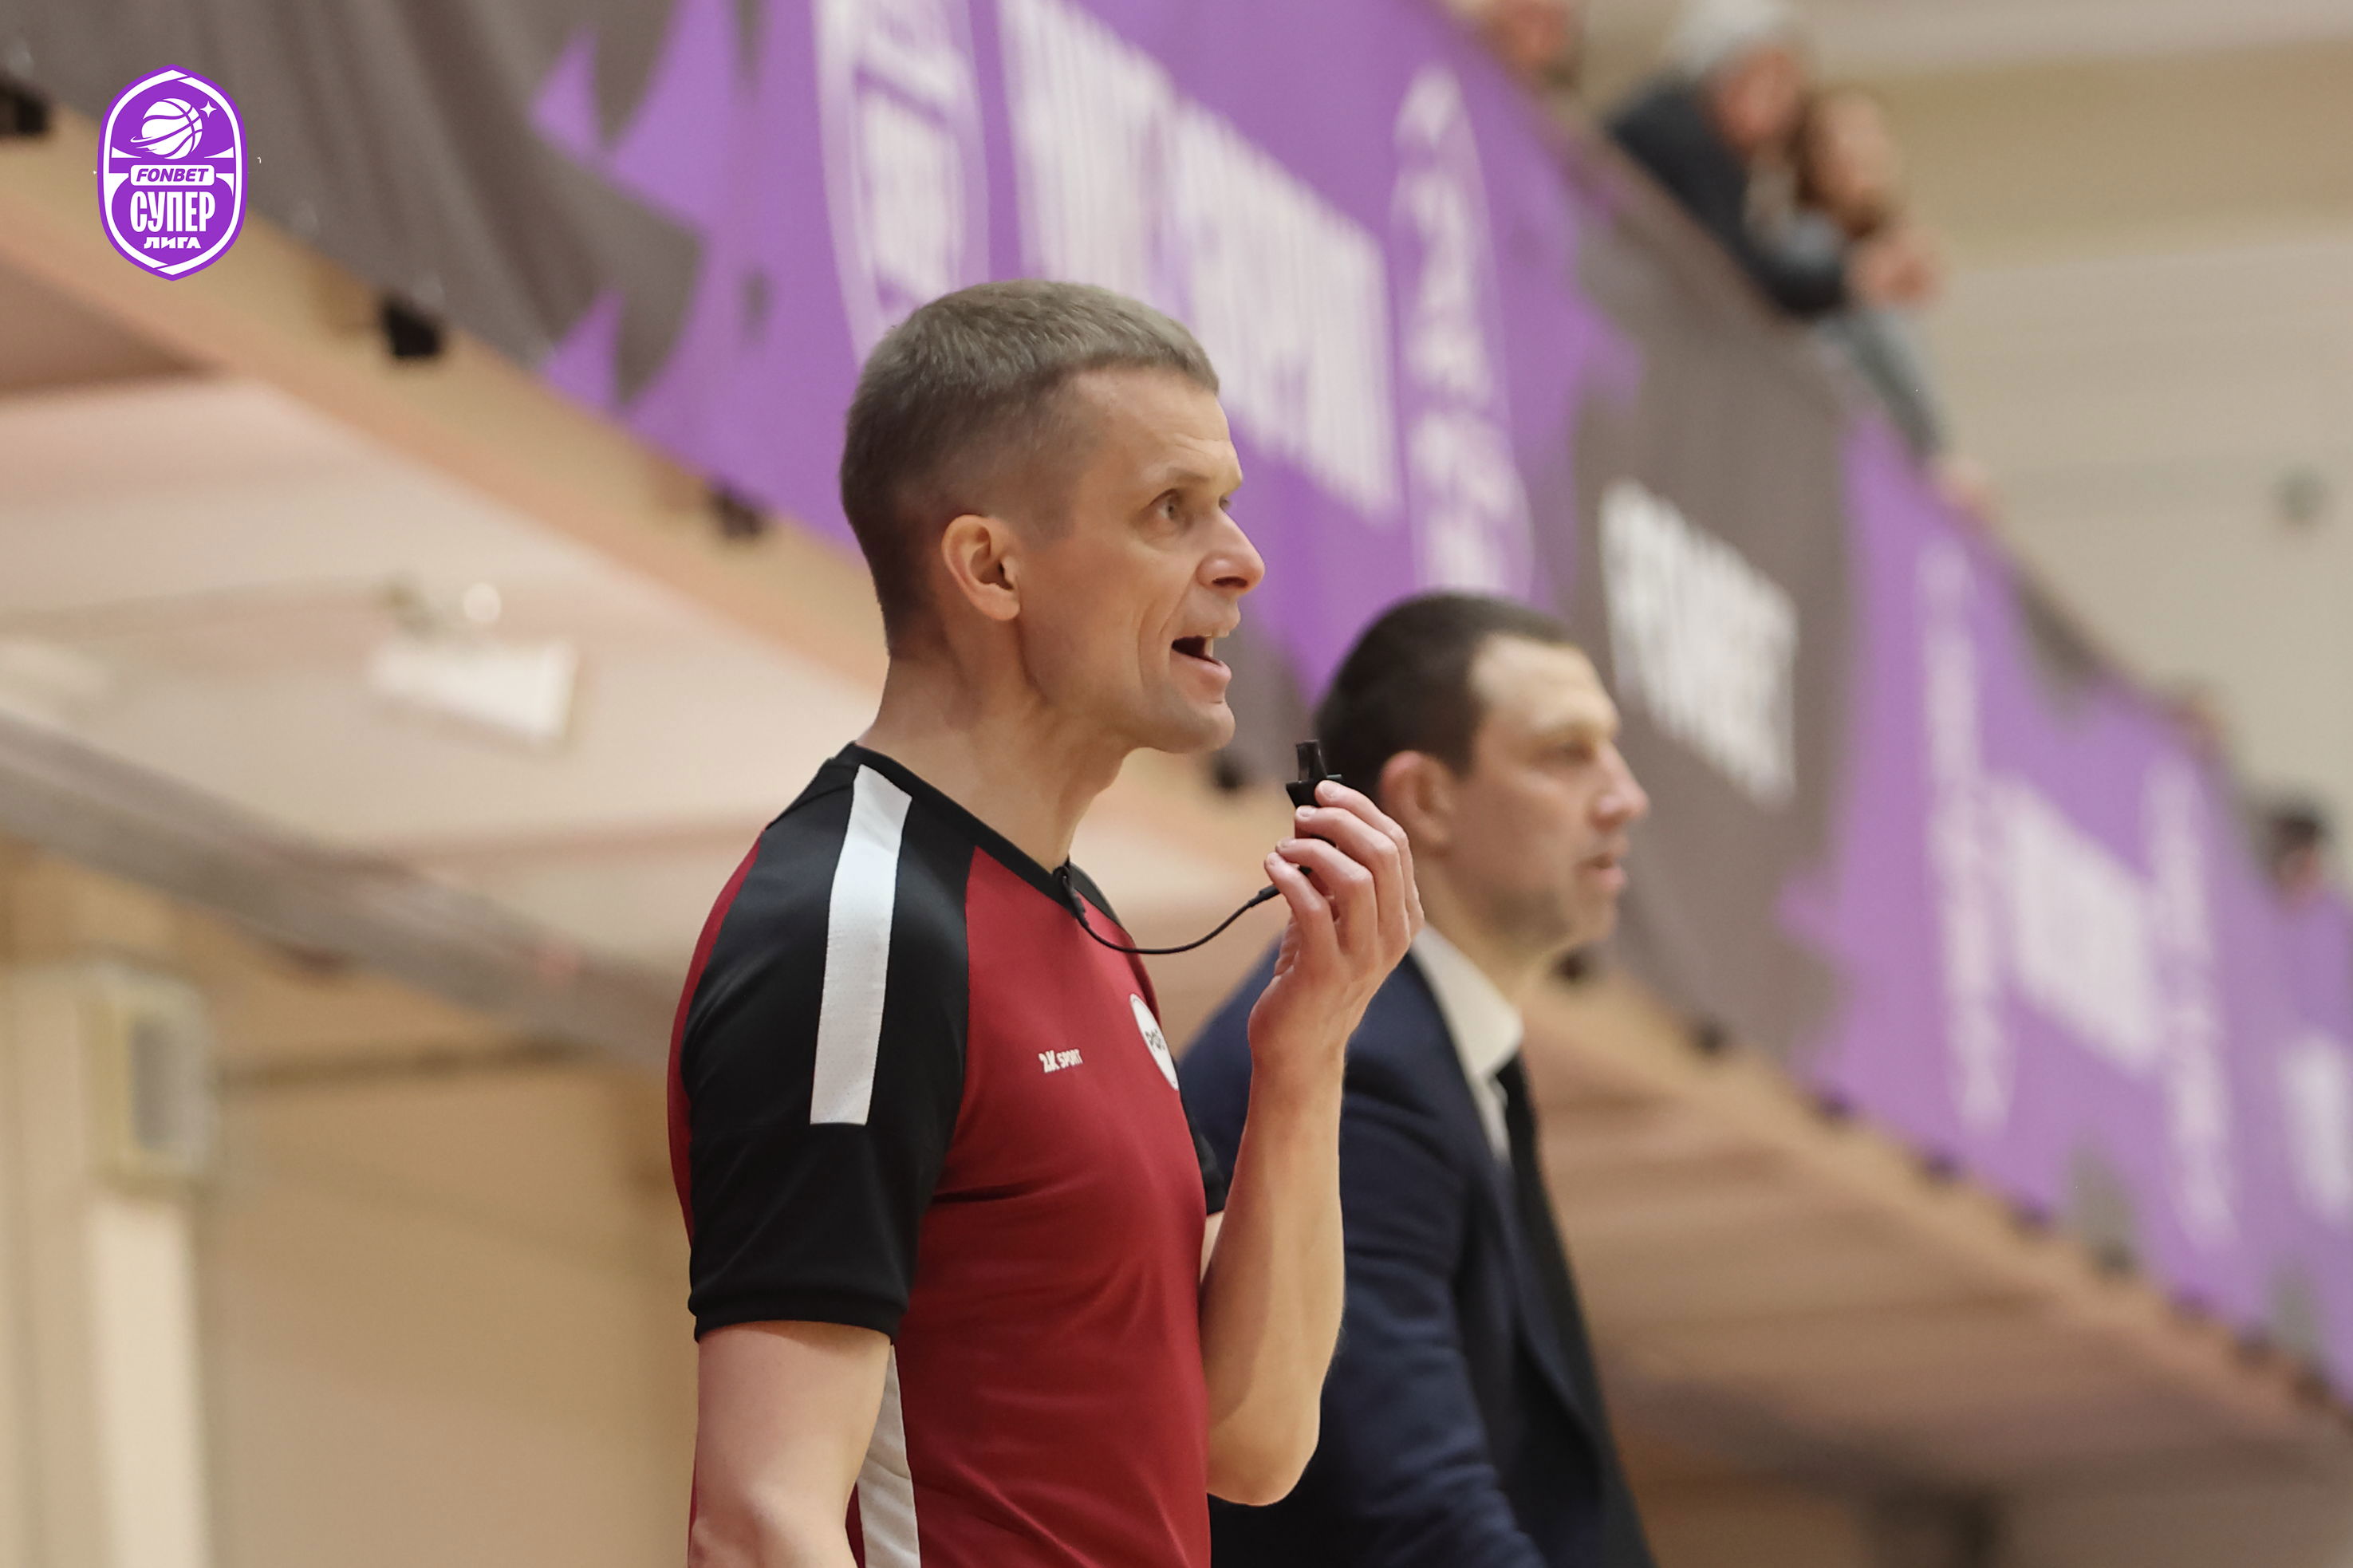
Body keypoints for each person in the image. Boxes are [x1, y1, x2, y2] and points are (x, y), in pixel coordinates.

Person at [670, 280, 1421, 1567]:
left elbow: (1248, 1439)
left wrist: (1305, 1058)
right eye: (1171, 509)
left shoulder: (1076, 919)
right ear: (991, 566)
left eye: (1226, 504)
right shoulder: (861, 927)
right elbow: (757, 1518)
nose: (1240, 559)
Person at [1182, 593, 1656, 1568]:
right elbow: (1409, 1513)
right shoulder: (1368, 1065)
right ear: (1427, 800)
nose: (1623, 797)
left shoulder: (1427, 1050)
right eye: (1566, 753)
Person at [1608, 0, 1928, 320]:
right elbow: (1740, 277)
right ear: (1724, 72)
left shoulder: (1709, 146)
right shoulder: (1678, 132)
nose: (1785, 106)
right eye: (1773, 82)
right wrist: (1857, 276)